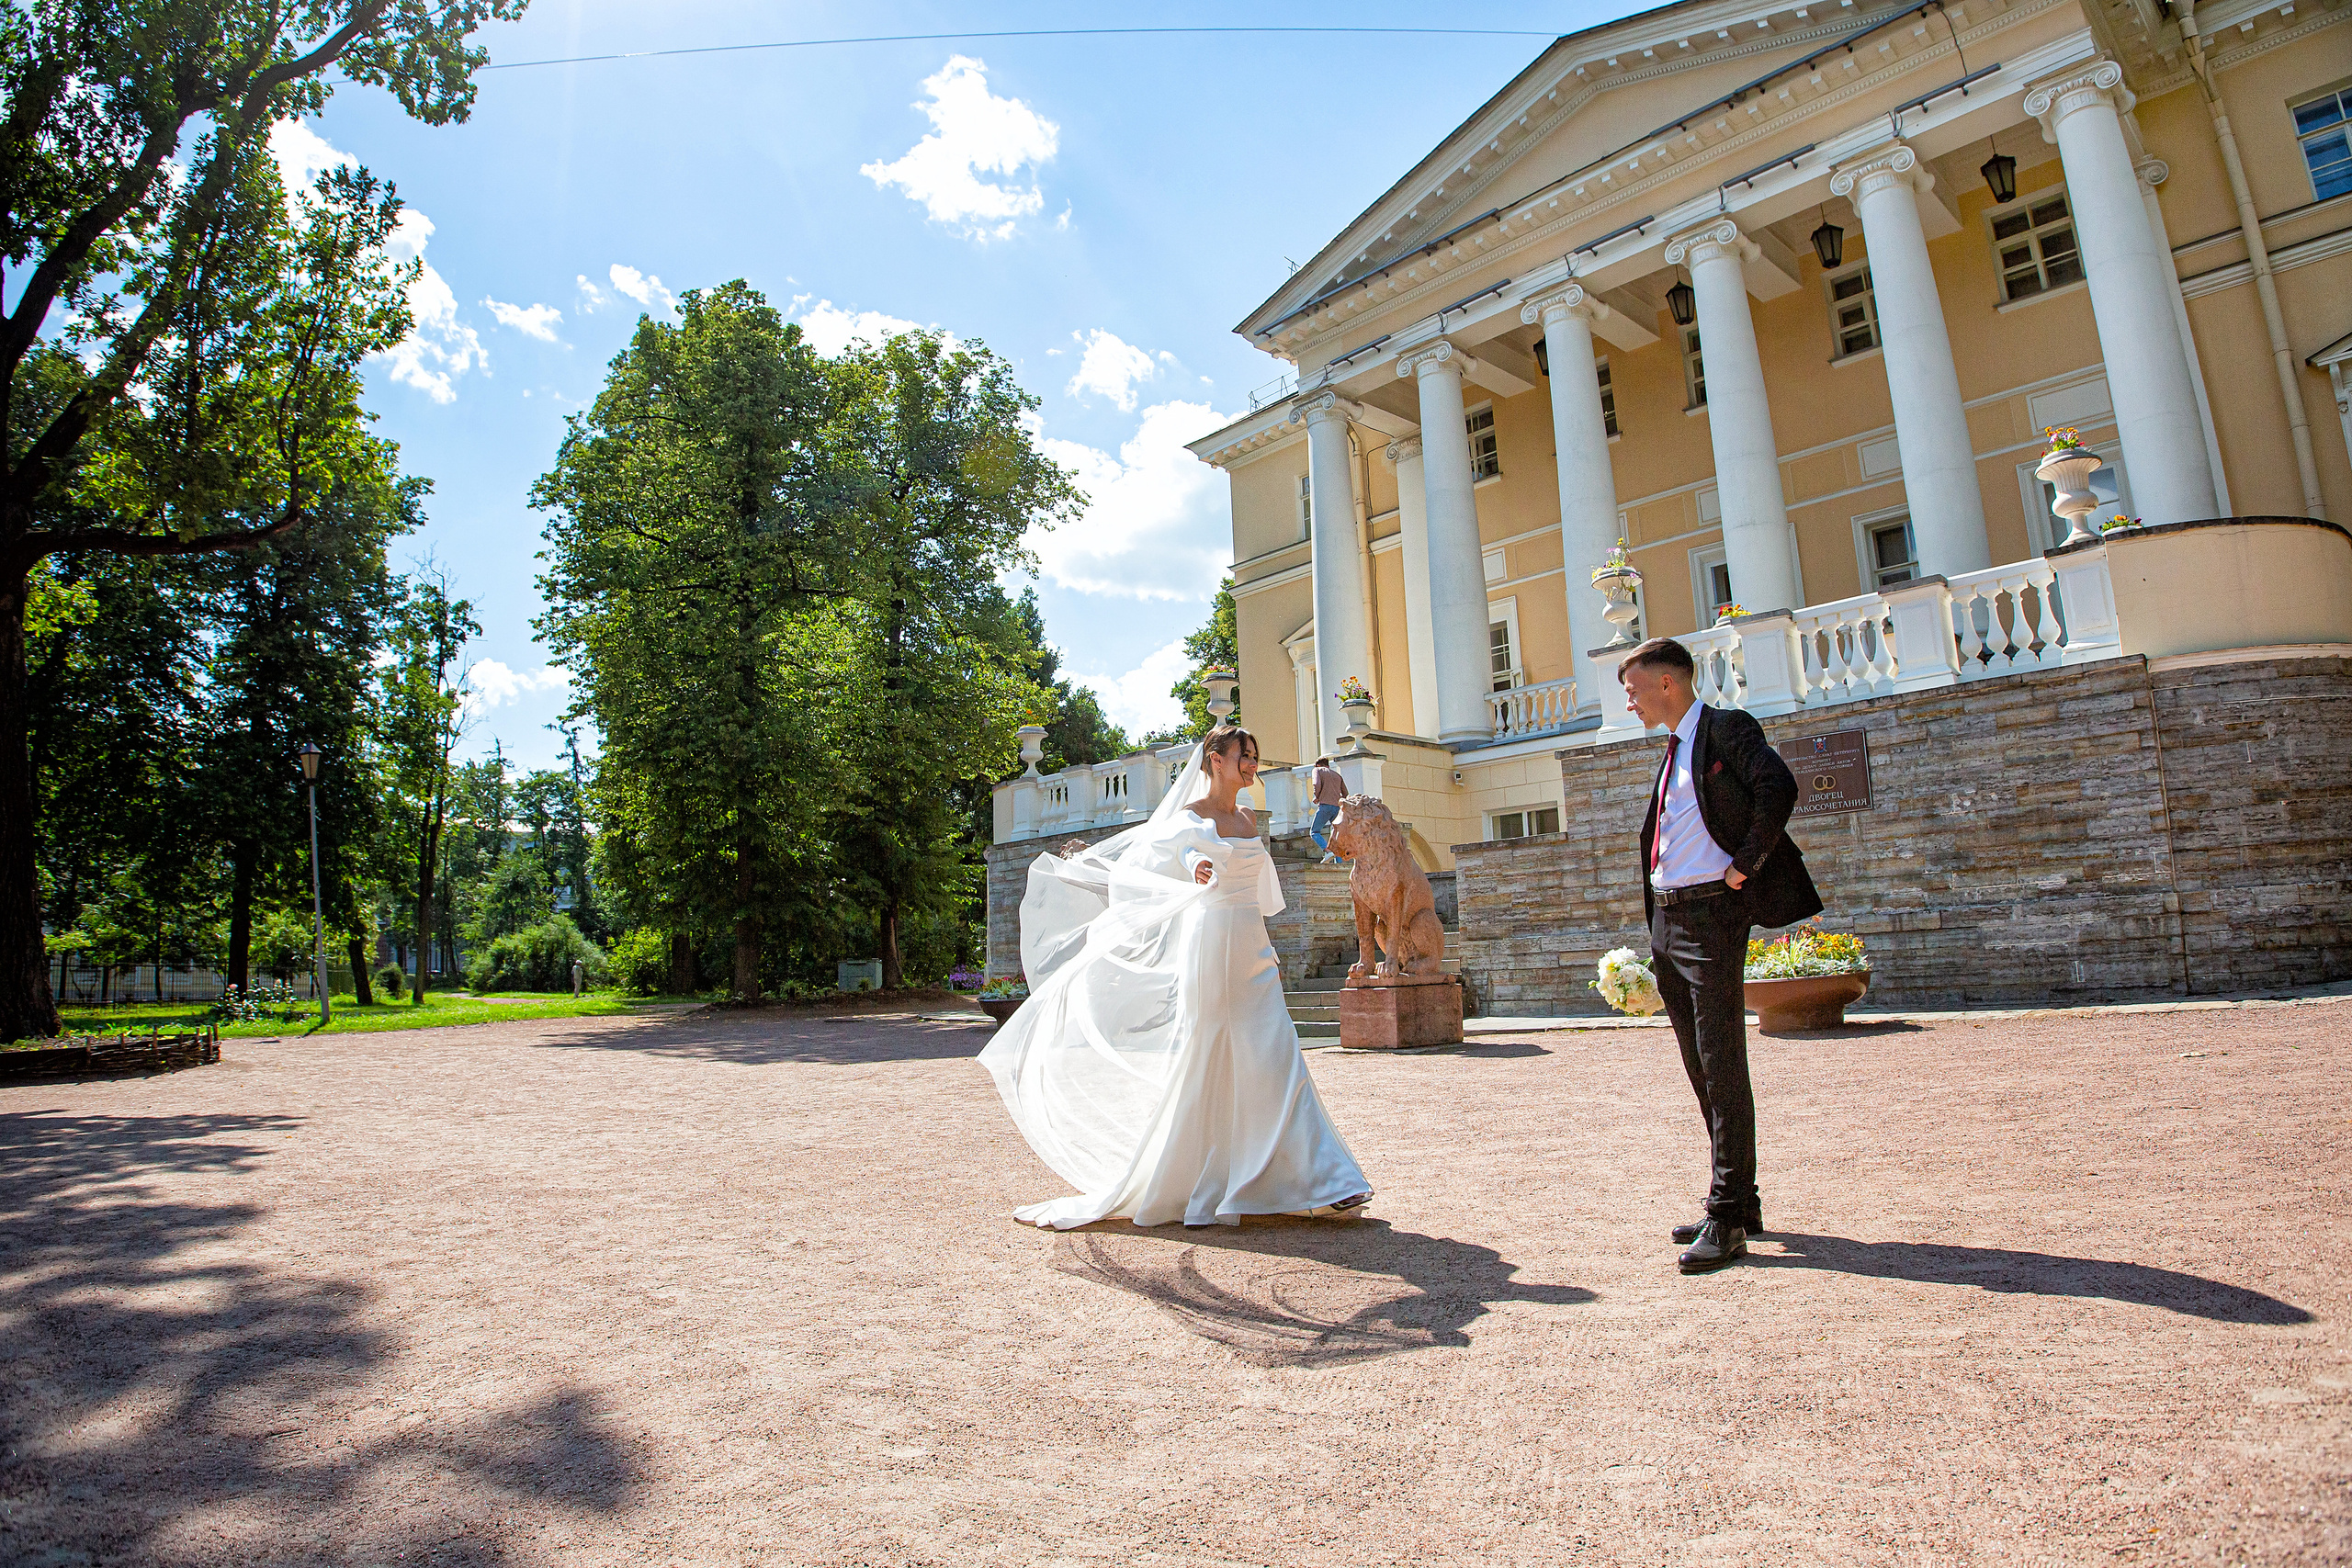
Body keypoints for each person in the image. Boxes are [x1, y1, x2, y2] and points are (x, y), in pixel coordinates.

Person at [978, 724, 1374, 1228]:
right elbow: (1173, 857)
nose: (1252, 765)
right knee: (1208, 1060)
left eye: (1254, 756)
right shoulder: (1189, 818)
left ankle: (1326, 1180)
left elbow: (1262, 892)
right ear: (1214, 760)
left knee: (1278, 1054)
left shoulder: (1250, 818)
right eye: (1243, 756)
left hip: (1253, 948)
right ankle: (1200, 1177)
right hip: (1210, 948)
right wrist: (1197, 865)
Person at [1618, 637, 1822, 1275]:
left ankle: (1727, 1213)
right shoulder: (1672, 751)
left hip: (1712, 915)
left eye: (1633, 687)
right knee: (1697, 1061)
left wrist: (1744, 867)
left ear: (1668, 684)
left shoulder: (1726, 728)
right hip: (1670, 921)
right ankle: (1742, 1197)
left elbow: (1777, 787)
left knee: (1721, 1056)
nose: (1628, 699)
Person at [1307, 755, 1348, 864]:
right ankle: (1339, 862)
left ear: (1318, 765)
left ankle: (1327, 850)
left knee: (1314, 831)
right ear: (1328, 765)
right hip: (1337, 809)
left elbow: (1316, 783)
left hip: (1325, 805)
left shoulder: (1317, 770)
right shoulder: (1337, 775)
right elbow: (1345, 794)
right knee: (1335, 836)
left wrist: (1316, 796)